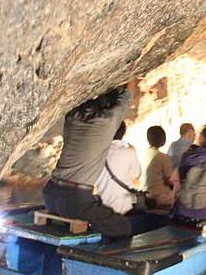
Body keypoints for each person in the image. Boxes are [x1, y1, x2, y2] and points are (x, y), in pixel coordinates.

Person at [43, 81, 136, 238]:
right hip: (75, 199)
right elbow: (127, 98)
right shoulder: (108, 122)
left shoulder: (72, 117)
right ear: (109, 106)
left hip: (50, 193)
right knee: (122, 227)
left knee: (85, 216)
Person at [95, 121, 141, 215]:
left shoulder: (98, 152)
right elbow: (137, 173)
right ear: (124, 132)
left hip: (104, 205)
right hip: (126, 206)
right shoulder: (129, 150)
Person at [144, 126, 174, 206]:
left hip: (144, 194)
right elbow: (168, 180)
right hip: (160, 196)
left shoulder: (141, 154)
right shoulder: (163, 157)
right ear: (163, 139)